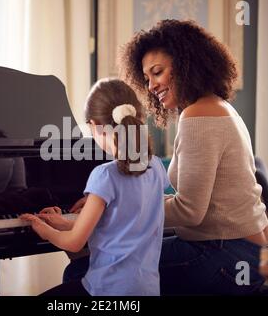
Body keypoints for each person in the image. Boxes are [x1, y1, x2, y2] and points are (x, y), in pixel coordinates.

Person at [116, 19, 268, 295]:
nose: (151, 85)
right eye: (146, 78)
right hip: (244, 253)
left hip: (226, 256)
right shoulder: (216, 106)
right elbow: (194, 204)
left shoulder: (199, 115)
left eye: (157, 72)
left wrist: (116, 210)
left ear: (187, 65)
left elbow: (190, 212)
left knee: (91, 269)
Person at [21, 78, 169, 295]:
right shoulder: (156, 166)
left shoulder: (105, 175)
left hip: (106, 291)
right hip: (145, 289)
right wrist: (63, 223)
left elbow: (74, 243)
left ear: (94, 126)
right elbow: (121, 223)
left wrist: (45, 231)